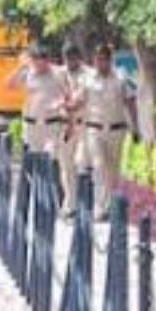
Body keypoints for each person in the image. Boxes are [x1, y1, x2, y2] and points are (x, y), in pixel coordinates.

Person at [70, 44, 138, 222]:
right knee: (99, 167)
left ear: (110, 60)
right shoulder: (87, 80)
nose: (101, 63)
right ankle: (100, 208)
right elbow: (78, 101)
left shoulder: (121, 77)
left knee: (113, 170)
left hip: (116, 129)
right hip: (94, 130)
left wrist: (135, 126)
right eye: (98, 59)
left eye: (104, 59)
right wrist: (69, 107)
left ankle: (112, 205)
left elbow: (130, 101)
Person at [6, 44, 67, 156]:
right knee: (32, 158)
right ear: (32, 61)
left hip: (51, 125)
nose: (40, 66)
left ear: (48, 60)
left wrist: (60, 103)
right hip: (31, 125)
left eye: (43, 61)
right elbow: (9, 85)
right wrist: (20, 68)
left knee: (49, 156)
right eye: (36, 61)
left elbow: (69, 93)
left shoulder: (58, 73)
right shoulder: (27, 73)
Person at [57, 43, 93, 216]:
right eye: (67, 58)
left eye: (73, 58)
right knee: (66, 166)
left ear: (79, 57)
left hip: (82, 125)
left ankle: (85, 203)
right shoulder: (58, 74)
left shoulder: (88, 75)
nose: (70, 62)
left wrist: (67, 103)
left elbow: (80, 99)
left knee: (82, 163)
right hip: (64, 126)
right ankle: (70, 204)